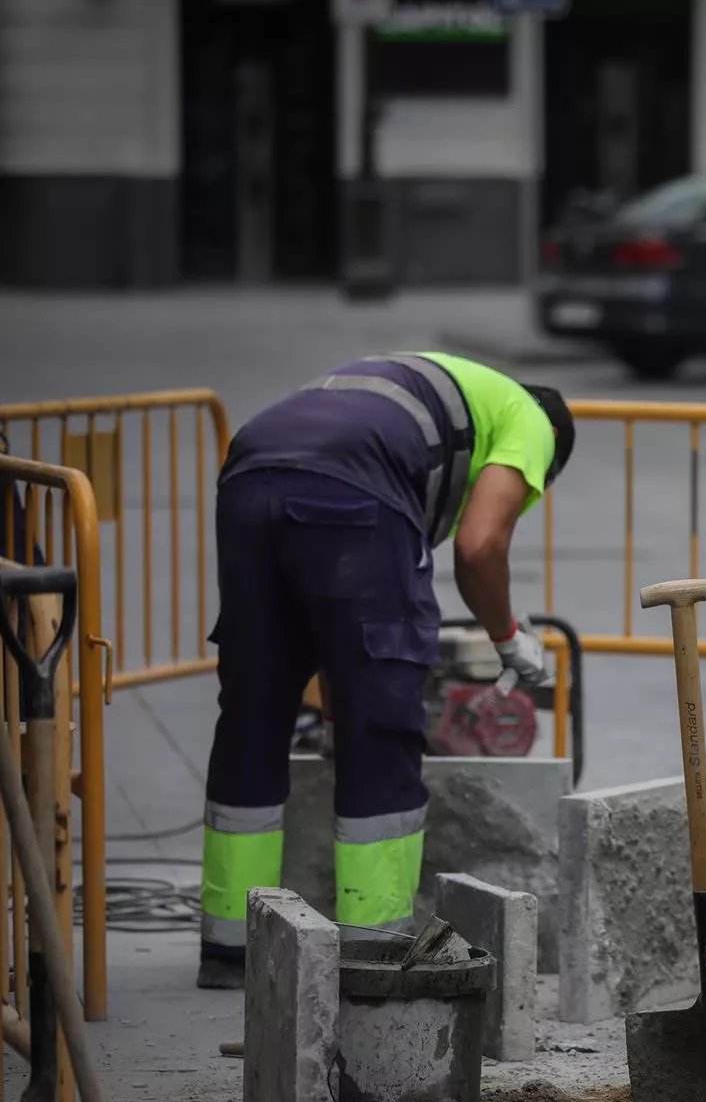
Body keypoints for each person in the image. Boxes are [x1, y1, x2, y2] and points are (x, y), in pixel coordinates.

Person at [195, 353, 574, 988]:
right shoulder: (532, 421)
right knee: (384, 725)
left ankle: (231, 946)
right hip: (351, 489)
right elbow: (480, 547)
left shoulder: (429, 388)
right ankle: (373, 951)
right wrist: (509, 638)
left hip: (250, 472)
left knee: (254, 709)